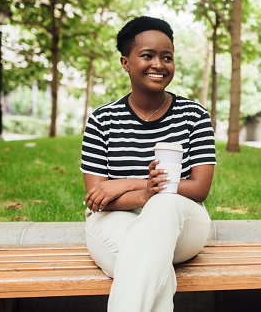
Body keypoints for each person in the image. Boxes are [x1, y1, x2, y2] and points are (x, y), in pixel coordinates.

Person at [80, 16, 216, 312]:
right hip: (115, 218)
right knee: (147, 268)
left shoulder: (194, 116)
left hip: (182, 223)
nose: (159, 64)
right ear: (125, 62)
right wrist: (145, 192)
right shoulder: (102, 120)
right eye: (148, 55)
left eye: (167, 57)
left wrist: (131, 183)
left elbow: (199, 188)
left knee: (164, 205)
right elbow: (97, 198)